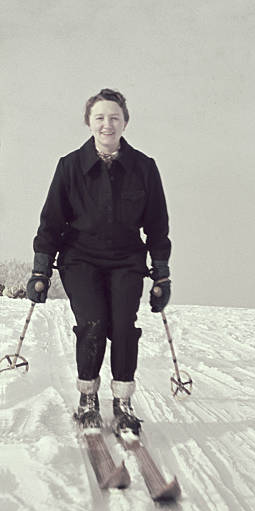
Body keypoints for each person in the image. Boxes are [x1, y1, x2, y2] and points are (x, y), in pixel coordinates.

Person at [26, 88, 171, 436]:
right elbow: (51, 221)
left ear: (125, 122)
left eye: (114, 117)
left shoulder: (144, 168)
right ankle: (88, 398)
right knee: (93, 323)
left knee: (122, 327)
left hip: (126, 260)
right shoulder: (70, 166)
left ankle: (122, 402)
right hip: (80, 258)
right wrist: (40, 269)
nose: (107, 124)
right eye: (100, 117)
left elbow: (157, 224)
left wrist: (161, 274)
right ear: (89, 122)